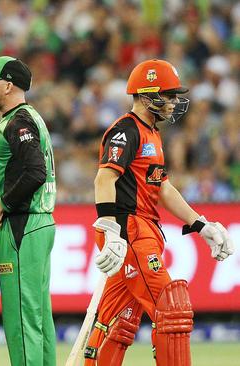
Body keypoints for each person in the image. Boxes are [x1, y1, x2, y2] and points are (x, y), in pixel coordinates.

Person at [85, 59, 234, 366]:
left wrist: (200, 224)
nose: (174, 102)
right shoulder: (126, 131)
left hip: (144, 232)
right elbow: (104, 178)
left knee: (118, 319)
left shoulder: (152, 134)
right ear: (146, 94)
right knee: (171, 308)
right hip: (130, 231)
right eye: (168, 95)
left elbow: (162, 188)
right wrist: (112, 230)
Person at [0, 56, 57, 366]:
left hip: (22, 224)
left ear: (8, 85)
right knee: (38, 315)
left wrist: (2, 205)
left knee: (21, 317)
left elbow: (35, 172)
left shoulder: (18, 122)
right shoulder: (26, 118)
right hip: (38, 223)